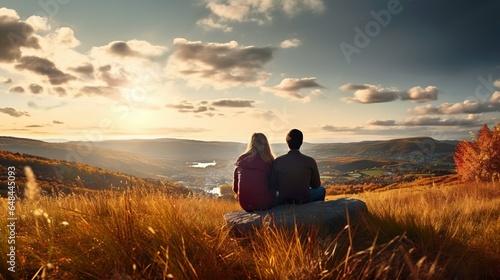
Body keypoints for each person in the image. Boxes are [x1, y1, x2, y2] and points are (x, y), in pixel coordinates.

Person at [270, 129, 326, 205]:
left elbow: (273, 186)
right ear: (301, 142)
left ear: (287, 142)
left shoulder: (278, 161)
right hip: (304, 201)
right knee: (321, 190)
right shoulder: (310, 161)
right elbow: (316, 185)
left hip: (283, 201)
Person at [233, 133, 276, 211]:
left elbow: (235, 188)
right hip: (265, 203)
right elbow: (274, 185)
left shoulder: (241, 159)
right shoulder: (268, 161)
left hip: (245, 204)